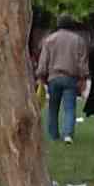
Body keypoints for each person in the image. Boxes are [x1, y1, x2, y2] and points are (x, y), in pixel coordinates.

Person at [36, 14, 89, 144]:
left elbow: (44, 61)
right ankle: (68, 134)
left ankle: (53, 135)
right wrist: (83, 77)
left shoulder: (49, 40)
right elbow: (82, 62)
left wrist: (41, 76)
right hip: (70, 77)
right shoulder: (78, 40)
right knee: (70, 107)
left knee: (53, 107)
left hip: (53, 77)